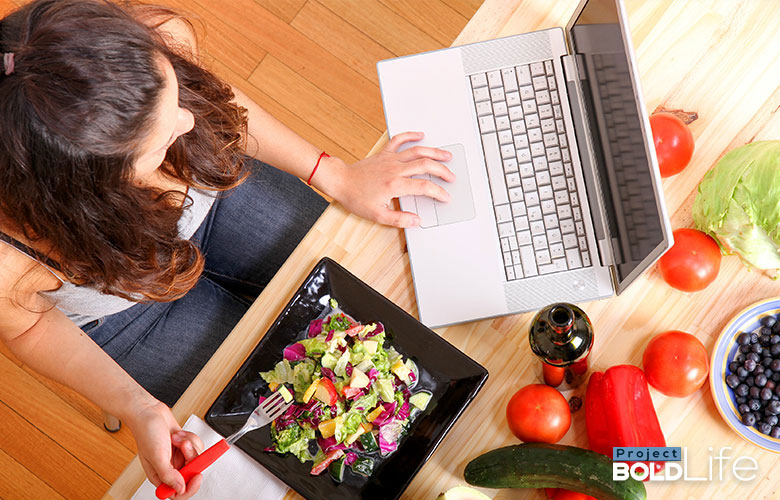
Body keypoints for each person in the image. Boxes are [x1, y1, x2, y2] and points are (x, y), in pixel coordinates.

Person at [0, 1, 454, 497]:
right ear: (81, 192)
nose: (188, 124)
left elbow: (216, 107)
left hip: (218, 201)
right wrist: (138, 406)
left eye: (173, 98)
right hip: (125, 314)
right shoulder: (7, 258)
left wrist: (335, 174)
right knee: (285, 401)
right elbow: (28, 324)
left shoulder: (142, 43)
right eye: (158, 143)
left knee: (374, 305)